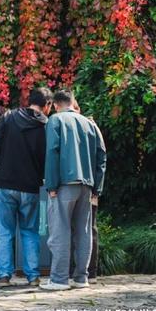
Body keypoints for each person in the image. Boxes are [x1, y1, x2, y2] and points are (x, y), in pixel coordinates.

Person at [41, 88, 106, 291]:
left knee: (60, 231)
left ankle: (59, 279)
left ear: (56, 105)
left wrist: (51, 185)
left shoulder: (55, 120)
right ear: (72, 101)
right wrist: (97, 187)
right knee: (84, 232)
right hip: (86, 185)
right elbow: (101, 155)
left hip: (64, 184)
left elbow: (52, 152)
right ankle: (81, 278)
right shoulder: (89, 123)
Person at [0, 86, 53, 287]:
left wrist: (6, 157)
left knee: (5, 231)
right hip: (31, 186)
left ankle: (4, 275)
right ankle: (33, 276)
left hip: (6, 182)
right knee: (30, 231)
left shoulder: (9, 117)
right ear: (47, 104)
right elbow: (48, 157)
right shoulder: (46, 126)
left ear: (29, 100)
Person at [71, 96, 101, 283]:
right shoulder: (87, 127)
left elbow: (100, 158)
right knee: (85, 228)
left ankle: (90, 271)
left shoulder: (89, 126)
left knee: (88, 228)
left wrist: (97, 188)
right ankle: (79, 270)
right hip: (85, 184)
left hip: (88, 186)